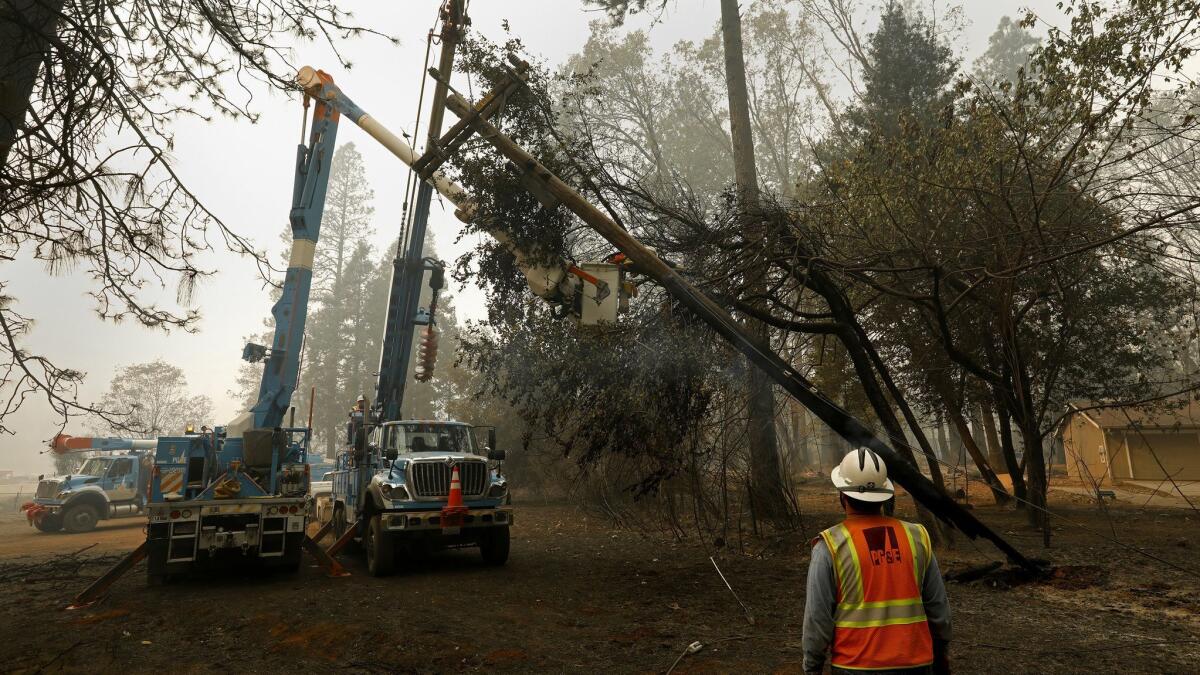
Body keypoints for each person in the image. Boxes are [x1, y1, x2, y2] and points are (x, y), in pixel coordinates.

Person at [803, 448, 951, 674]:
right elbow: (938, 608)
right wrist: (940, 656)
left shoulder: (830, 546)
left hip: (854, 665)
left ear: (842, 495)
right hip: (917, 663)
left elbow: (817, 618)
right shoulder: (917, 537)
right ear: (885, 494)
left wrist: (812, 668)